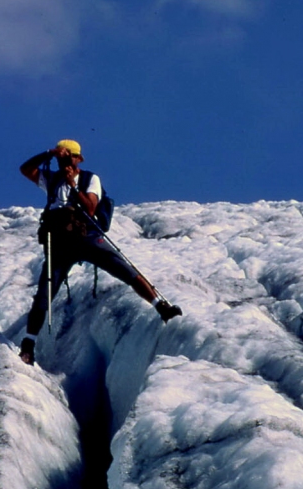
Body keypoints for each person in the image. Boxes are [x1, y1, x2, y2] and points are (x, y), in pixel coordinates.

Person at [18, 139, 182, 365]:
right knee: (45, 293)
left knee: (124, 269)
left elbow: (90, 207)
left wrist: (72, 185)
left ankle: (161, 306)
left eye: (69, 156)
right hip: (59, 240)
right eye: (61, 157)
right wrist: (48, 153)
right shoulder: (52, 179)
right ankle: (28, 344)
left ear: (78, 158)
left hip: (85, 235)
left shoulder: (89, 178)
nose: (64, 160)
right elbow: (25, 169)